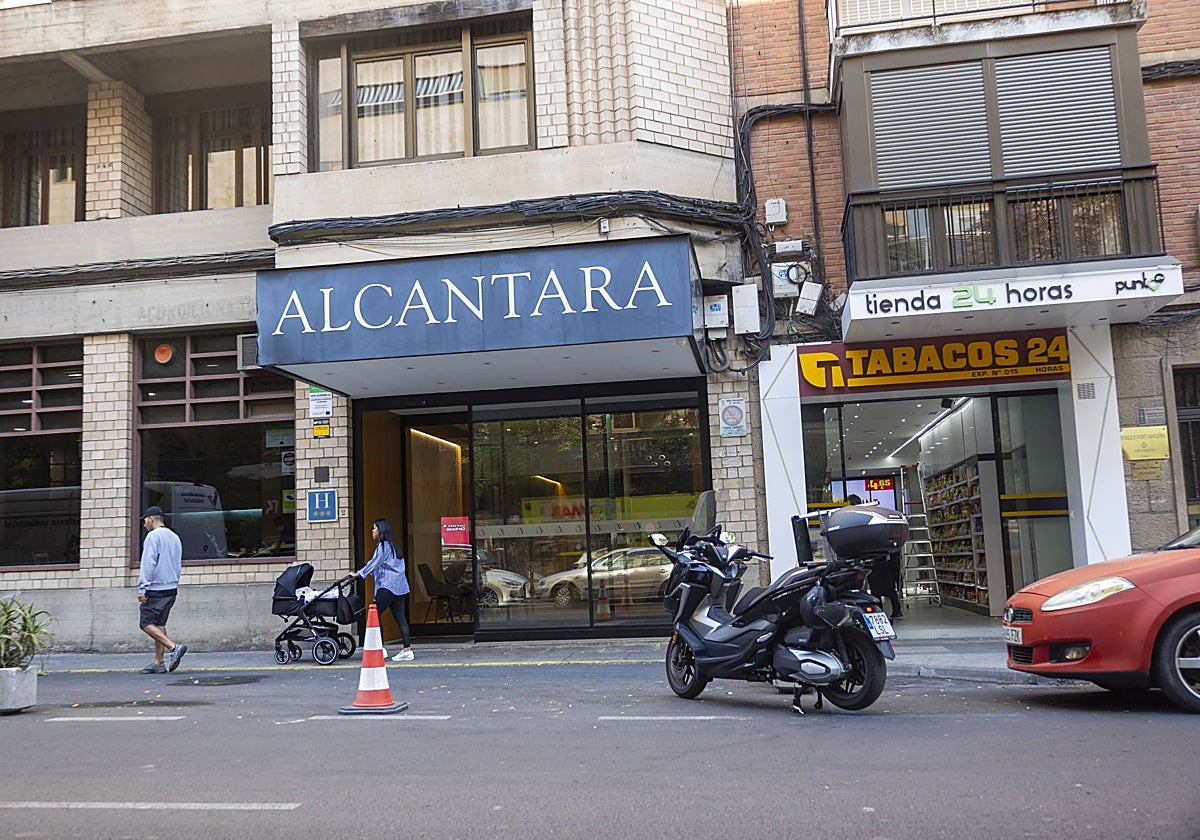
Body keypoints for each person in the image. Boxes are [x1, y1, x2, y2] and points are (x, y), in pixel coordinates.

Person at [136, 505, 187, 674]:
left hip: (156, 588)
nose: (144, 524)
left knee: (145, 623)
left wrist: (143, 588)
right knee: (160, 624)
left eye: (145, 520)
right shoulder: (174, 537)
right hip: (171, 588)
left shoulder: (153, 536)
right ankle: (158, 663)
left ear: (151, 518)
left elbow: (148, 564)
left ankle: (174, 648)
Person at [356, 517, 414, 662]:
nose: (372, 530)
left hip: (388, 585)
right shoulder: (394, 546)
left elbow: (375, 563)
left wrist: (359, 573)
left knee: (374, 612)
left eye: (374, 528)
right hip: (401, 587)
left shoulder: (383, 546)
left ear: (380, 530)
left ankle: (380, 648)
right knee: (400, 617)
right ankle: (407, 650)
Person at [870, 551, 903, 620]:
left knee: (875, 589)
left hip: (876, 561)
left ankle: (879, 610)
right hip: (888, 561)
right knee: (890, 589)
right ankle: (896, 610)